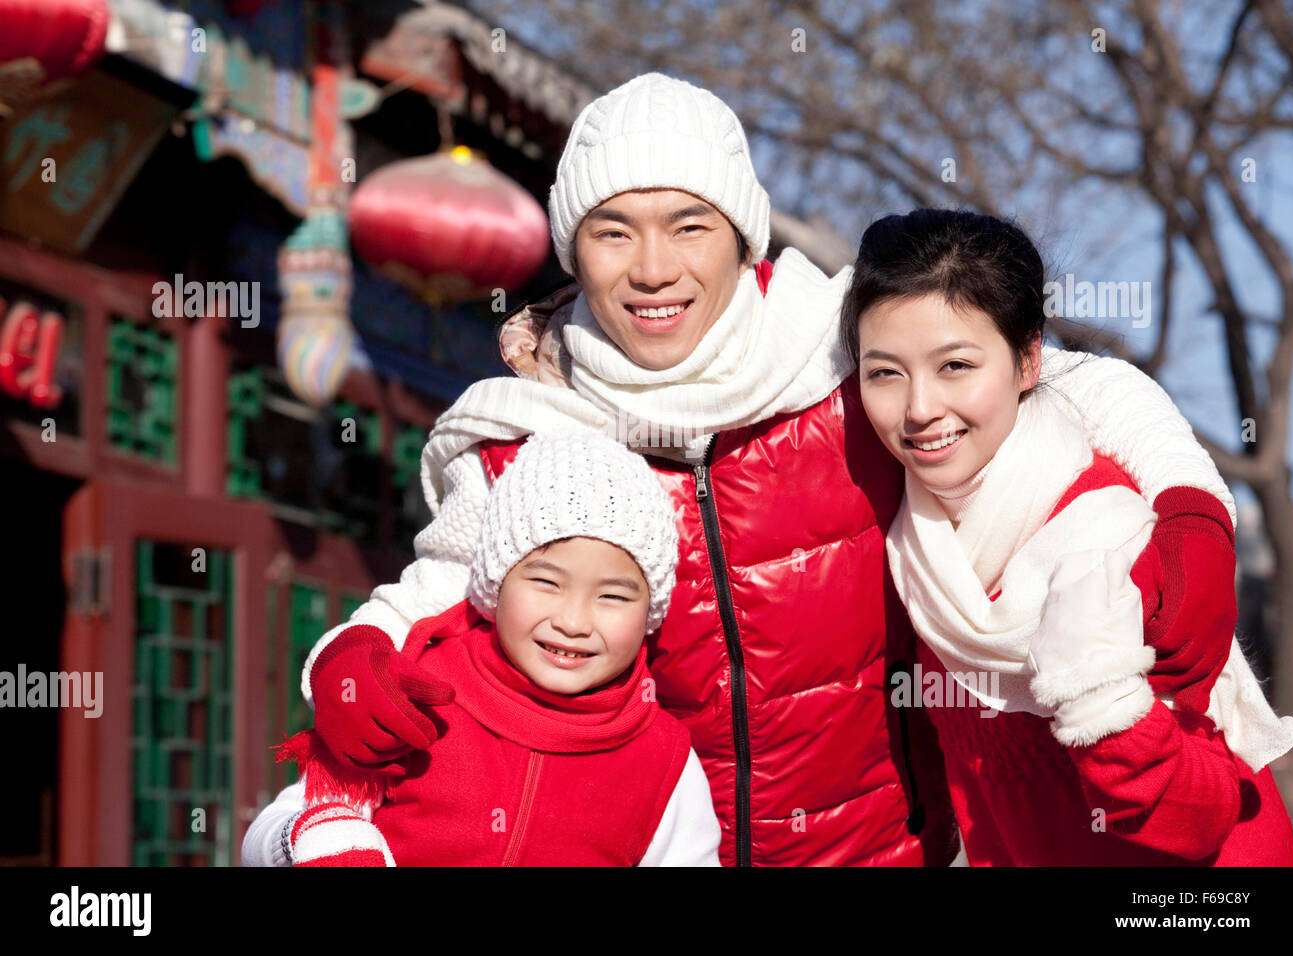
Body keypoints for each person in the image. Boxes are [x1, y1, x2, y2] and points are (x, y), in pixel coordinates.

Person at [252, 72, 1241, 867]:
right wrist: (347, 655)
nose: (650, 268)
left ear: (741, 232)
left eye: (687, 225)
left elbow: (1068, 383)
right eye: (611, 230)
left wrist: (1192, 509)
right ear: (573, 249)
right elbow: (437, 586)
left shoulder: (846, 358)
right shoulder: (535, 433)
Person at [842, 208, 1293, 865]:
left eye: (955, 366)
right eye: (885, 372)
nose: (918, 409)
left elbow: (1203, 816)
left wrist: (1103, 707)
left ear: (1029, 362)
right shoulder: (925, 547)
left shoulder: (1107, 535)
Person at [244, 431, 721, 866]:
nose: (573, 622)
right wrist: (318, 839)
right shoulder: (419, 692)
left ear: (650, 612)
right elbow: (268, 834)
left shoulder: (665, 761)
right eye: (546, 583)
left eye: (613, 596)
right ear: (496, 579)